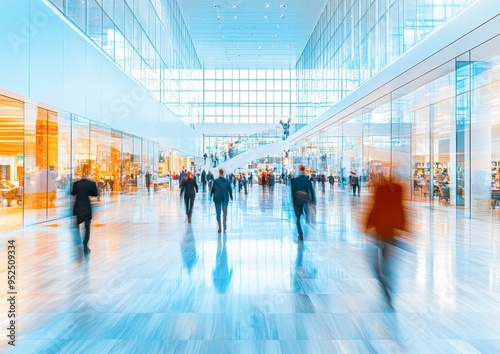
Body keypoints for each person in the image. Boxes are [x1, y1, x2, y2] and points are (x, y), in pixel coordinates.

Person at [364, 176, 406, 306]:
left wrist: (368, 224)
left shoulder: (380, 189)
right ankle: (387, 281)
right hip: (392, 228)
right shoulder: (398, 189)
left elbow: (375, 206)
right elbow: (400, 207)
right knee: (386, 256)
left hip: (381, 227)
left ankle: (383, 278)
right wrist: (403, 225)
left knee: (380, 258)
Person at [71, 164, 98, 254]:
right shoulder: (91, 184)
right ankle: (85, 244)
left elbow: (72, 193)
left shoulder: (76, 184)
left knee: (76, 225)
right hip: (86, 206)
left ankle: (78, 241)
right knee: (87, 227)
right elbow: (95, 194)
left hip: (78, 205)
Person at [291, 165, 316, 241]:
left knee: (297, 219)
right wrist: (313, 201)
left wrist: (293, 200)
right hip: (305, 200)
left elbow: (292, 192)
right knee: (306, 210)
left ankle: (300, 234)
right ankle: (306, 217)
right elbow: (311, 191)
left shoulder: (295, 180)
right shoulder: (307, 180)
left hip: (297, 200)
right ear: (304, 170)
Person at [210, 168, 233, 233]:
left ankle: (219, 226)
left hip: (217, 198)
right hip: (225, 198)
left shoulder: (215, 181)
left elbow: (213, 189)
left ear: (219, 173)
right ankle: (224, 226)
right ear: (224, 173)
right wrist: (231, 197)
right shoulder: (227, 182)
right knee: (225, 212)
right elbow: (230, 190)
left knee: (218, 212)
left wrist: (211, 194)